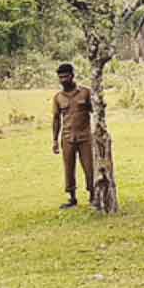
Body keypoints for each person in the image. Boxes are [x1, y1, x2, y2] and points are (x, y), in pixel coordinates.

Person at [51, 63, 94, 209]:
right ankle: (72, 198)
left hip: (85, 137)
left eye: (66, 76)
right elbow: (56, 119)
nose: (63, 80)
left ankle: (93, 195)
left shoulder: (85, 93)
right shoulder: (58, 98)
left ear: (72, 76)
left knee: (89, 167)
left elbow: (96, 110)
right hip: (68, 138)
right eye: (60, 77)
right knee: (69, 168)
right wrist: (55, 141)